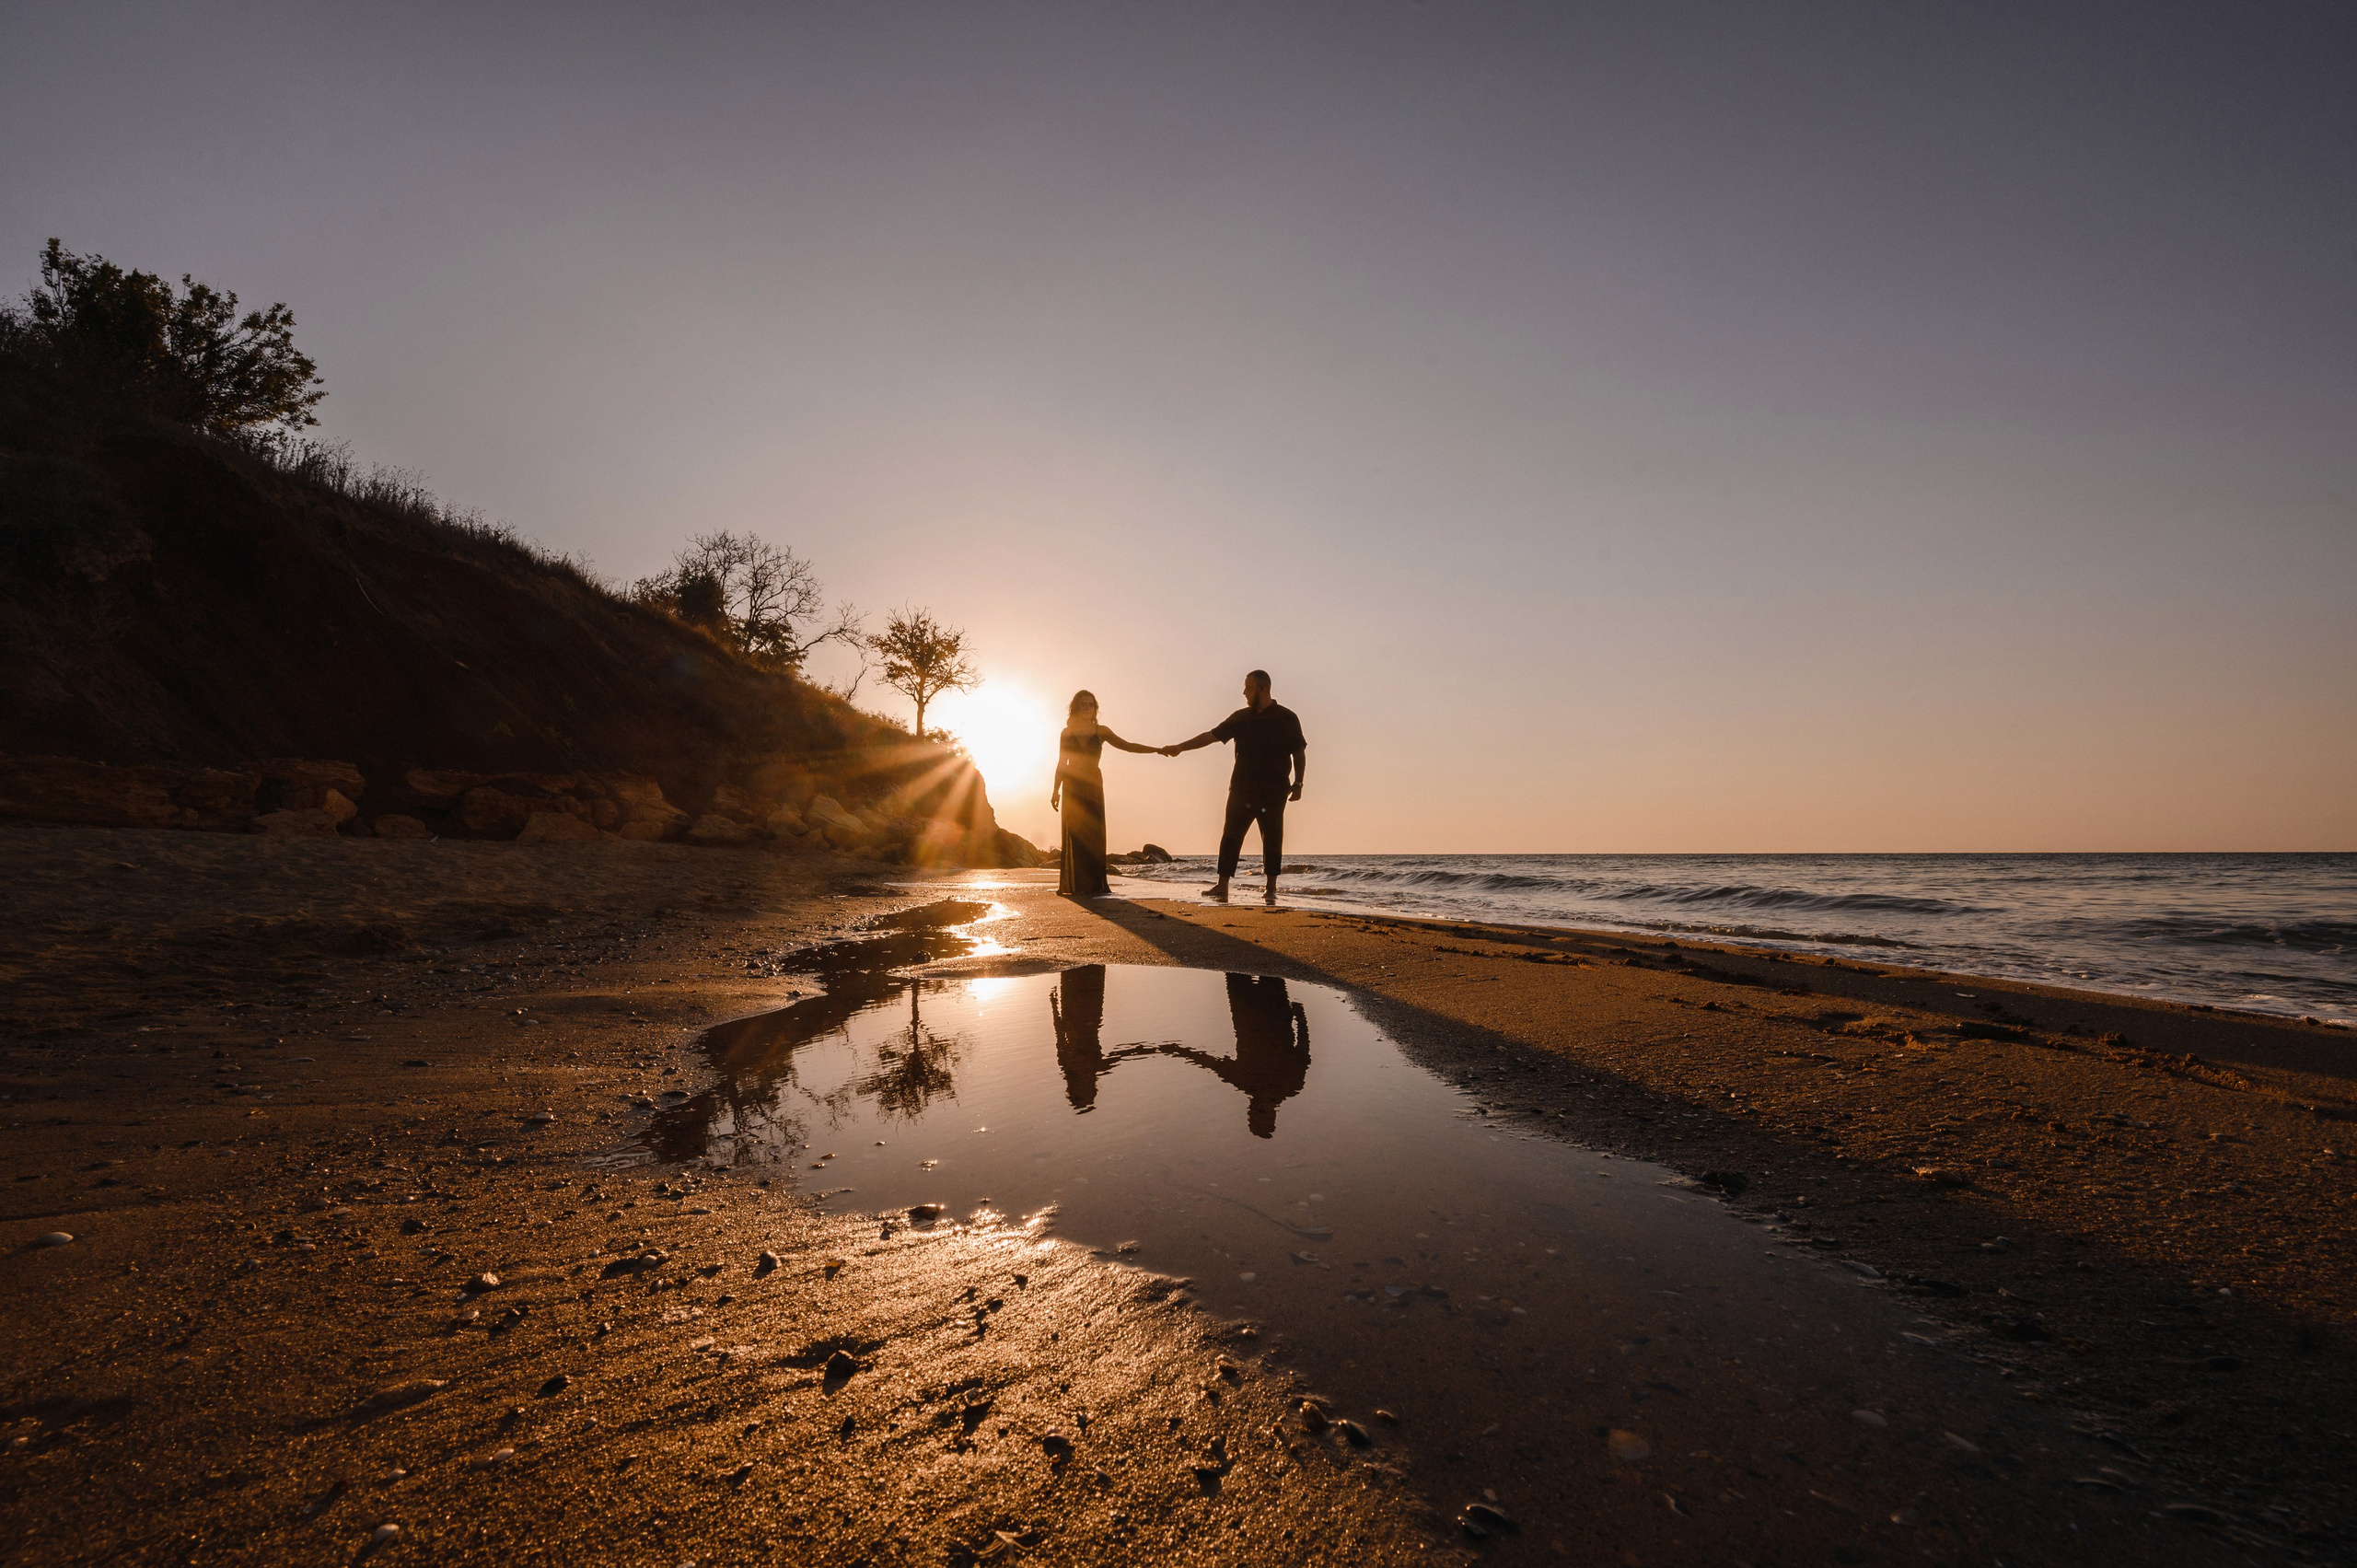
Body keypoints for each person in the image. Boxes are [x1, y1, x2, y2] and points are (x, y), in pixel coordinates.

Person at [1162, 669, 1306, 905]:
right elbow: (1211, 736)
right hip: (1241, 788)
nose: (1244, 692)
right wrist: (1180, 747)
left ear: (1262, 688)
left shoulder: (1287, 717)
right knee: (1230, 836)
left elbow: (1299, 751)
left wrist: (1298, 783)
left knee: (1272, 837)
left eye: (1248, 687)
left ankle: (1271, 888)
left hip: (1274, 790)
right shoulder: (1241, 717)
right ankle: (1222, 886)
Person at [1051, 690, 1163, 898]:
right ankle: (1076, 885)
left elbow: (1128, 746)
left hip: (1093, 784)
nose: (1087, 708)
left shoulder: (1101, 731)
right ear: (1075, 708)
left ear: (1095, 708)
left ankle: (1093, 885)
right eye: (1082, 705)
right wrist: (1055, 790)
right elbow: (1061, 763)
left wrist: (1156, 749)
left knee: (1093, 833)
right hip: (1072, 786)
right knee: (1076, 834)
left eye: (1091, 705)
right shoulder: (1066, 733)